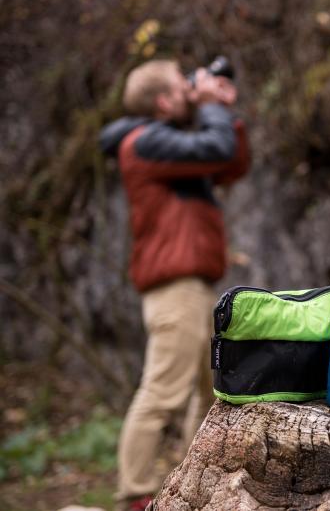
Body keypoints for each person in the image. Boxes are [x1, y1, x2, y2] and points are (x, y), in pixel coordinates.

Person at [99, 59, 250, 510]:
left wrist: (221, 109)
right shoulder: (145, 142)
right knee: (162, 393)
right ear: (163, 101)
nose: (191, 89)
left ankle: (193, 483)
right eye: (183, 87)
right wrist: (212, 109)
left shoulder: (169, 144)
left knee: (210, 391)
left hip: (193, 284)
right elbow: (217, 148)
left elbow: (231, 161)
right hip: (174, 287)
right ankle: (136, 495)